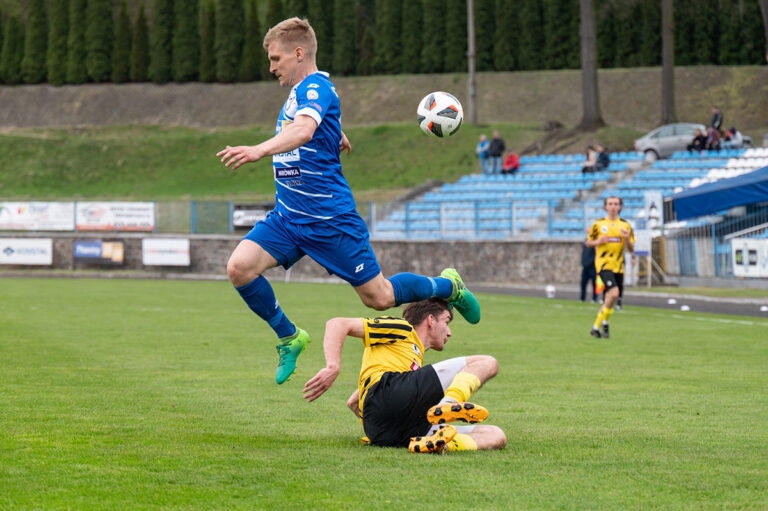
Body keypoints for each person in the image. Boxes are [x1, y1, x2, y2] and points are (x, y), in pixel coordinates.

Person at [217, 18, 481, 385]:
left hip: (330, 219)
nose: (271, 67)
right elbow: (310, 124)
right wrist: (335, 131)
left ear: (298, 53)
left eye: (276, 58)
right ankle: (290, 337)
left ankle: (448, 286)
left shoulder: (316, 87)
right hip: (289, 217)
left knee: (379, 297)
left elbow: (304, 129)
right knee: (239, 268)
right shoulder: (300, 93)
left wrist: (258, 150)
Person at [302, 298, 506, 454]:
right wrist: (333, 366)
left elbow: (353, 402)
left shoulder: (405, 361)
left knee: (496, 435)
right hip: (388, 394)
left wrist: (376, 426)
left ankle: (439, 445)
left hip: (386, 432)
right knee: (487, 362)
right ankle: (448, 404)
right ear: (430, 320)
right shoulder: (403, 328)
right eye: (447, 322)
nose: (449, 332)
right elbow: (337, 324)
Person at [586, 196, 635, 339]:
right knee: (614, 293)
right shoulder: (599, 224)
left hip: (618, 265)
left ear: (620, 207)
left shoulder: (625, 225)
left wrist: (626, 238)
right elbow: (588, 242)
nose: (613, 206)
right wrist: (598, 242)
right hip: (604, 264)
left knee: (610, 297)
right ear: (605, 207)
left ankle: (599, 326)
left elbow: (631, 249)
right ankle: (601, 324)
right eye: (610, 204)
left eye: (616, 204)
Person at [580, 233, 597, 303]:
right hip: (585, 266)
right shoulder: (585, 241)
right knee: (583, 283)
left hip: (592, 266)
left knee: (594, 284)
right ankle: (582, 298)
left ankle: (594, 298)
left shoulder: (595, 241)